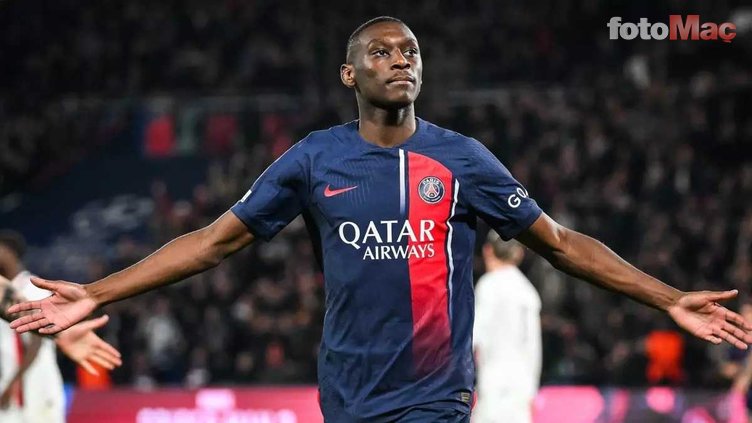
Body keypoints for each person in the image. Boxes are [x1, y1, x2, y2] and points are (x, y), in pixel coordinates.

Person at [6, 16, 752, 423]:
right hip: (347, 396)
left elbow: (559, 244)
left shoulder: (461, 160)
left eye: (411, 51)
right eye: (382, 52)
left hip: (435, 398)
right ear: (350, 74)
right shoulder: (314, 159)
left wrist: (667, 297)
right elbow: (210, 243)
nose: (401, 60)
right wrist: (98, 290)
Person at [0, 231, 122, 423]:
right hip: (7, 377)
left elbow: (36, 339)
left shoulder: (33, 286)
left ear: (9, 252)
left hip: (35, 382)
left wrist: (58, 334)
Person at [472, 232, 540, 423]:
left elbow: (474, 337)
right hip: (521, 386)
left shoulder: (488, 286)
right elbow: (533, 347)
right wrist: (532, 390)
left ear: (487, 251)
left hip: (492, 385)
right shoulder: (528, 291)